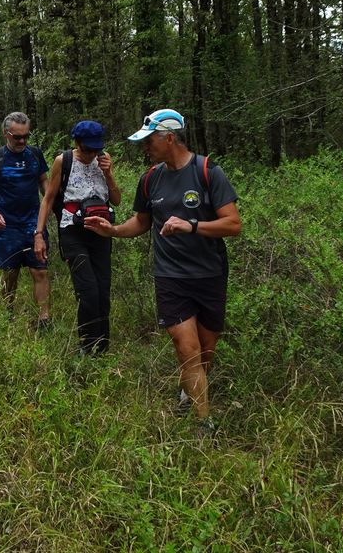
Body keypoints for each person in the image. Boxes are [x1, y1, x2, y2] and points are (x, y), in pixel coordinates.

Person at [84, 109, 241, 435]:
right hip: (171, 277)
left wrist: (191, 225)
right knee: (187, 347)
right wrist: (111, 230)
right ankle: (204, 421)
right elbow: (141, 222)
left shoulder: (209, 172)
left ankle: (189, 391)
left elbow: (233, 224)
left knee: (206, 351)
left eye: (149, 141)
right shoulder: (150, 178)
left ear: (169, 138)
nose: (145, 148)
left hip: (210, 274)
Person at [34, 120, 121, 355]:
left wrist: (108, 173)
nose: (91, 154)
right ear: (77, 143)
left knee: (103, 290)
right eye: (86, 149)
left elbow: (116, 200)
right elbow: (49, 199)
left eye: (95, 149)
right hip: (73, 232)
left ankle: (101, 347)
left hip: (101, 231)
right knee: (88, 290)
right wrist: (39, 234)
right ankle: (86, 345)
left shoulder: (103, 160)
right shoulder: (64, 161)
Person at [0, 112, 51, 329]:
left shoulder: (35, 155)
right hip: (7, 226)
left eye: (26, 136)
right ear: (5, 133)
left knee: (40, 270)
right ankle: (7, 314)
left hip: (33, 225)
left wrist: (50, 202)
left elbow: (44, 183)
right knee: (11, 272)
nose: (22, 141)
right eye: (16, 137)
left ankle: (44, 320)